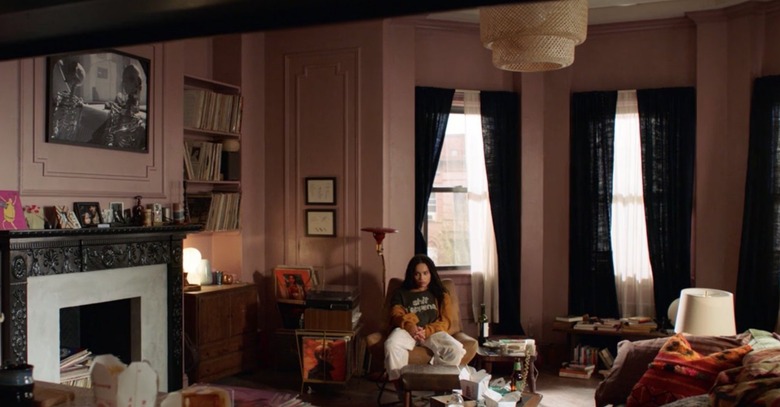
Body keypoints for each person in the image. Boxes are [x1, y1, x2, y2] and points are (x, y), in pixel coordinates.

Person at [384, 254, 466, 385]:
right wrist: (410, 326)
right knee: (391, 345)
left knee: (455, 349)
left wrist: (426, 331)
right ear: (411, 274)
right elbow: (396, 314)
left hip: (432, 332)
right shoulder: (401, 292)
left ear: (431, 273)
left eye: (425, 273)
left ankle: (435, 386)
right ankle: (403, 387)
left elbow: (446, 321)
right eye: (417, 274)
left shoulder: (440, 293)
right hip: (407, 331)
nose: (421, 278)